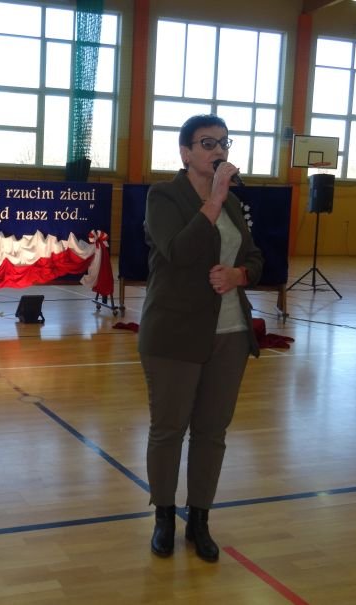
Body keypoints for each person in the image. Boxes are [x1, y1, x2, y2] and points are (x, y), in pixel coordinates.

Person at [137, 114, 264, 563]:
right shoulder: (163, 196)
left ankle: (200, 519)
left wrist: (239, 274)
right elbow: (179, 251)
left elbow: (255, 257)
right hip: (174, 333)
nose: (219, 150)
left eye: (224, 143)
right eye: (207, 143)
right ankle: (164, 517)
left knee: (212, 433)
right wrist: (214, 199)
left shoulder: (231, 202)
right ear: (185, 153)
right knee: (169, 429)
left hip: (230, 335)